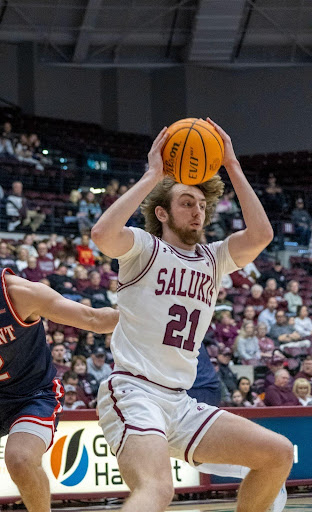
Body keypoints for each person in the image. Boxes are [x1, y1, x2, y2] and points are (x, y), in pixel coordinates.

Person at [91, 120, 293, 512]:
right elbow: (102, 234)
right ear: (163, 213)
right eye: (187, 203)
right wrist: (152, 175)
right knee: (156, 490)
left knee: (278, 454)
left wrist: (232, 166)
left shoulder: (213, 259)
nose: (198, 211)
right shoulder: (143, 248)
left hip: (180, 402)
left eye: (202, 205)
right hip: (134, 391)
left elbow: (262, 235)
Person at [0, 211, 119, 512]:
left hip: (34, 396)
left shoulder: (21, 294)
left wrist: (144, 313)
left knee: (19, 458)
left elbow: (95, 319)